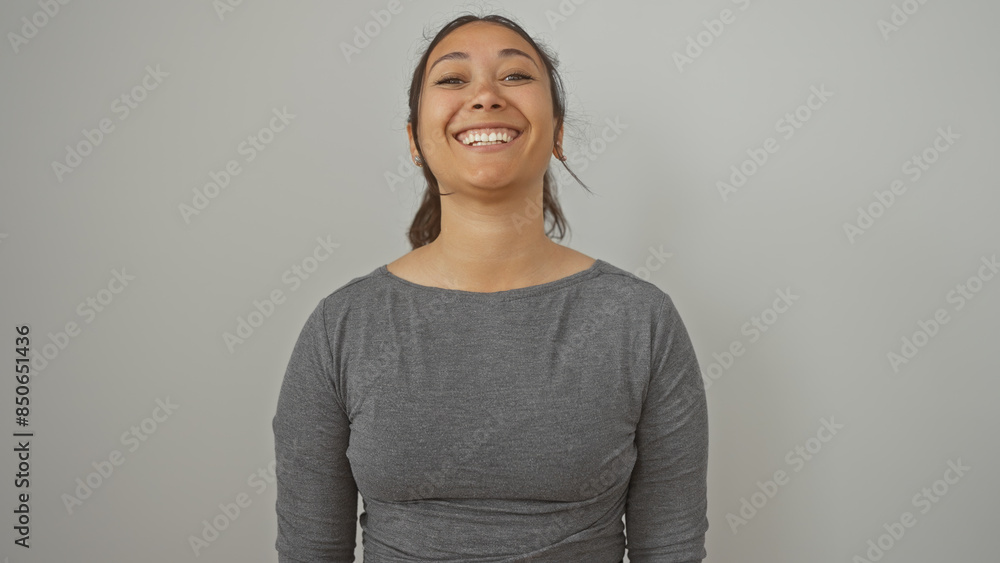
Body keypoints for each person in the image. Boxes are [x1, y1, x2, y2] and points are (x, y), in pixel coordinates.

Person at [272, 13, 709, 563]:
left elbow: (670, 549)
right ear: (414, 140)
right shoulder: (341, 327)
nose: (484, 96)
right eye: (453, 80)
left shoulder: (640, 320)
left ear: (558, 133)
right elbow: (310, 551)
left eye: (516, 77)